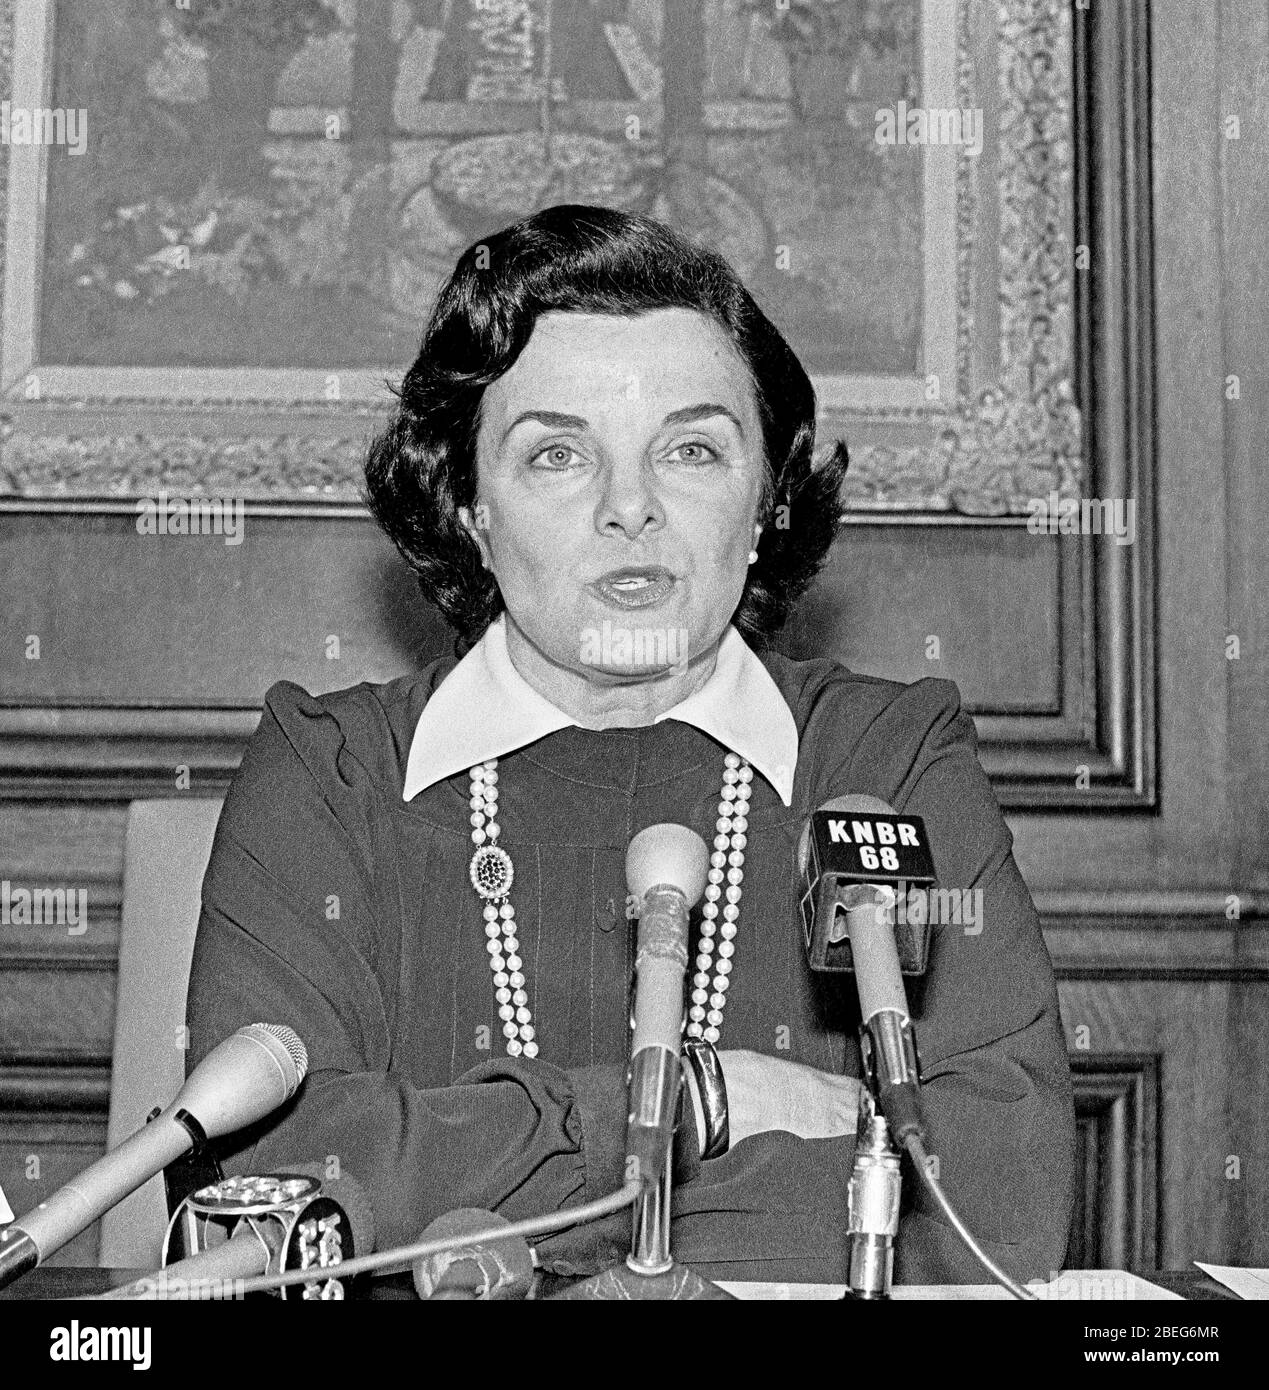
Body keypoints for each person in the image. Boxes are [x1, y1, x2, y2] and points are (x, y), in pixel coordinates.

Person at [186, 203, 1075, 1285]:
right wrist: (710, 1103)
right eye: (558, 454)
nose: (631, 507)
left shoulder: (886, 757)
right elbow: (272, 1185)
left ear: (764, 503)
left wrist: (484, 1222)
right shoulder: (329, 772)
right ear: (467, 503)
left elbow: (991, 1198)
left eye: (692, 449)